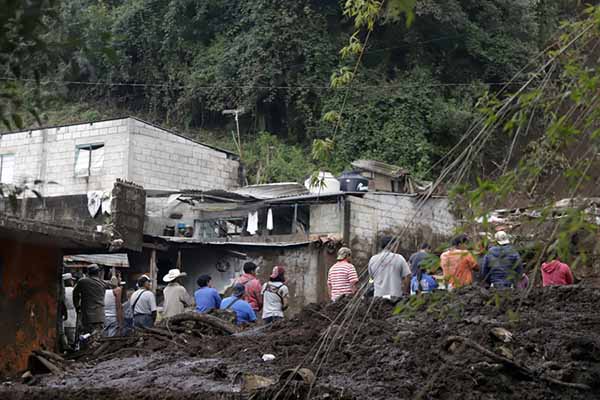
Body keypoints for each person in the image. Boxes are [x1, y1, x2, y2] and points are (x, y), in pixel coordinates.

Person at [73, 264, 110, 335]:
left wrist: (77, 306)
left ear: (88, 273)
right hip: (99, 315)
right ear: (98, 273)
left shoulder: (82, 282)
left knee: (88, 337)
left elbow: (75, 294)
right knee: (98, 338)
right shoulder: (103, 283)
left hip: (87, 316)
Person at [62, 273, 77, 347]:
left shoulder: (62, 290)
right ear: (70, 281)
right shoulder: (74, 290)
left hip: (63, 315)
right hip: (72, 315)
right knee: (72, 336)